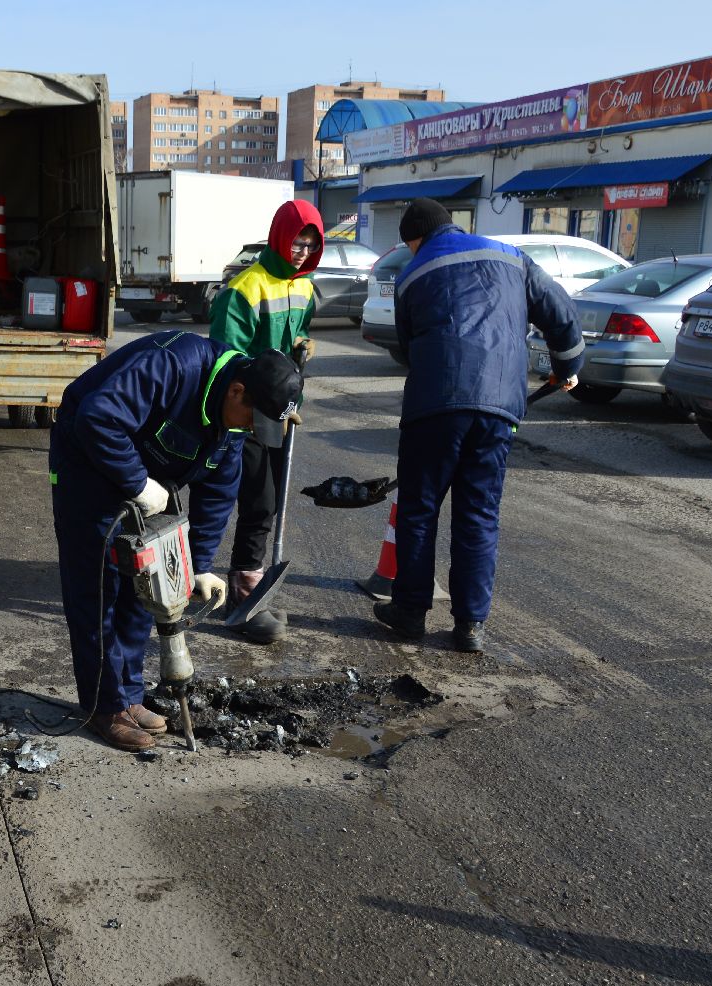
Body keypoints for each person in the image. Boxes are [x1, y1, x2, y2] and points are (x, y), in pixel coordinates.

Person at [49, 330, 303, 751]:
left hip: (151, 472)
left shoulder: (235, 413)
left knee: (144, 586)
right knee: (100, 591)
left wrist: (199, 565)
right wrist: (136, 483)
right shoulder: (172, 366)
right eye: (252, 418)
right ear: (237, 391)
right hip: (88, 460)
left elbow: (220, 490)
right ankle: (103, 707)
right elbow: (99, 418)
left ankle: (127, 697)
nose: (249, 429)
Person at [375, 198, 583, 652]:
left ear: (416, 237)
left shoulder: (412, 274)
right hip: (497, 408)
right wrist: (568, 364)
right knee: (478, 515)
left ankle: (409, 612)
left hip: (434, 405)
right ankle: (470, 625)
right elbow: (560, 312)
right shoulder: (511, 257)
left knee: (419, 510)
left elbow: (409, 346)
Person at [208, 199, 324, 644]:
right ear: (280, 236)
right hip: (244, 412)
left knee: (268, 502)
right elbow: (228, 358)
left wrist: (302, 343)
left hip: (280, 411)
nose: (301, 250)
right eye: (297, 240)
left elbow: (295, 334)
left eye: (310, 243)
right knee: (254, 500)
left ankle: (245, 581)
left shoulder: (305, 288)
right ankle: (241, 593)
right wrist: (257, 405)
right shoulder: (245, 288)